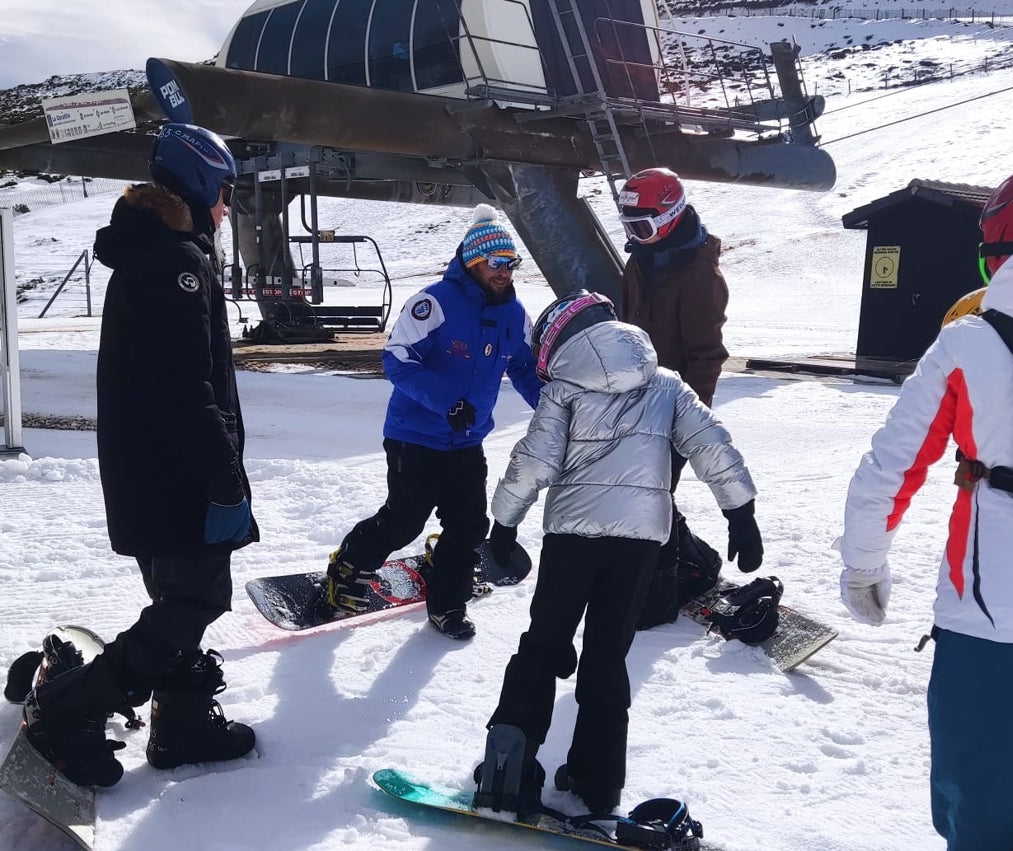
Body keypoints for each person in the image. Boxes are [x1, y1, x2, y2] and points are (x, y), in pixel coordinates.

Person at [22, 123, 258, 788]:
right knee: (191, 603)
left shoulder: (156, 252)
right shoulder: (176, 261)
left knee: (180, 596)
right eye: (224, 193)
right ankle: (68, 712)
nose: (226, 208)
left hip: (153, 471)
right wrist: (224, 479)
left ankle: (182, 723)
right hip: (177, 476)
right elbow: (184, 387)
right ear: (203, 182)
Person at [839, 162, 1013, 851]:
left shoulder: (970, 342)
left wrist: (863, 565)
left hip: (996, 627)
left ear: (1007, 248)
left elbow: (891, 466)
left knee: (985, 818)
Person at [476, 290, 762, 815]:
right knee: (607, 658)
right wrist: (739, 512)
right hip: (637, 546)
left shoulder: (563, 390)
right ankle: (598, 779)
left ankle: (507, 769)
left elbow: (532, 460)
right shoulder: (667, 384)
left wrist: (504, 524)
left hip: (571, 540)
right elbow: (711, 443)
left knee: (544, 645)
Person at [324, 203, 542, 640]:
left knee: (469, 525)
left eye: (511, 264)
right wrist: (448, 403)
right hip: (415, 437)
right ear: (473, 262)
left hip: (466, 442)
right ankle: (349, 564)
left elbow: (523, 367)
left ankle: (448, 603)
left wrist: (553, 411)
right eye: (496, 264)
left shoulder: (515, 315)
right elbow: (398, 360)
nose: (505, 272)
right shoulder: (433, 303)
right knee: (404, 519)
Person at [616, 167, 735, 628]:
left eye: (641, 226)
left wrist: (686, 421)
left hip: (671, 412)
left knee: (650, 500)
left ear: (670, 217)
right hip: (632, 406)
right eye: (628, 226)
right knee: (643, 495)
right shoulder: (639, 262)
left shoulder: (699, 276)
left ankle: (657, 595)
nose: (634, 236)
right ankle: (697, 562)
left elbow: (707, 356)